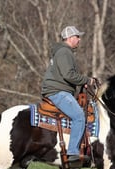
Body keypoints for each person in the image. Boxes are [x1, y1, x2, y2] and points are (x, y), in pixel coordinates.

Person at [41, 26, 95, 162]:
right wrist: (86, 80)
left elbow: (67, 75)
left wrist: (81, 82)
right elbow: (68, 74)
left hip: (57, 89)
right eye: (77, 37)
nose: (79, 40)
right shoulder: (65, 52)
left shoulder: (62, 51)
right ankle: (72, 153)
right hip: (58, 92)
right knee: (79, 116)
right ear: (70, 38)